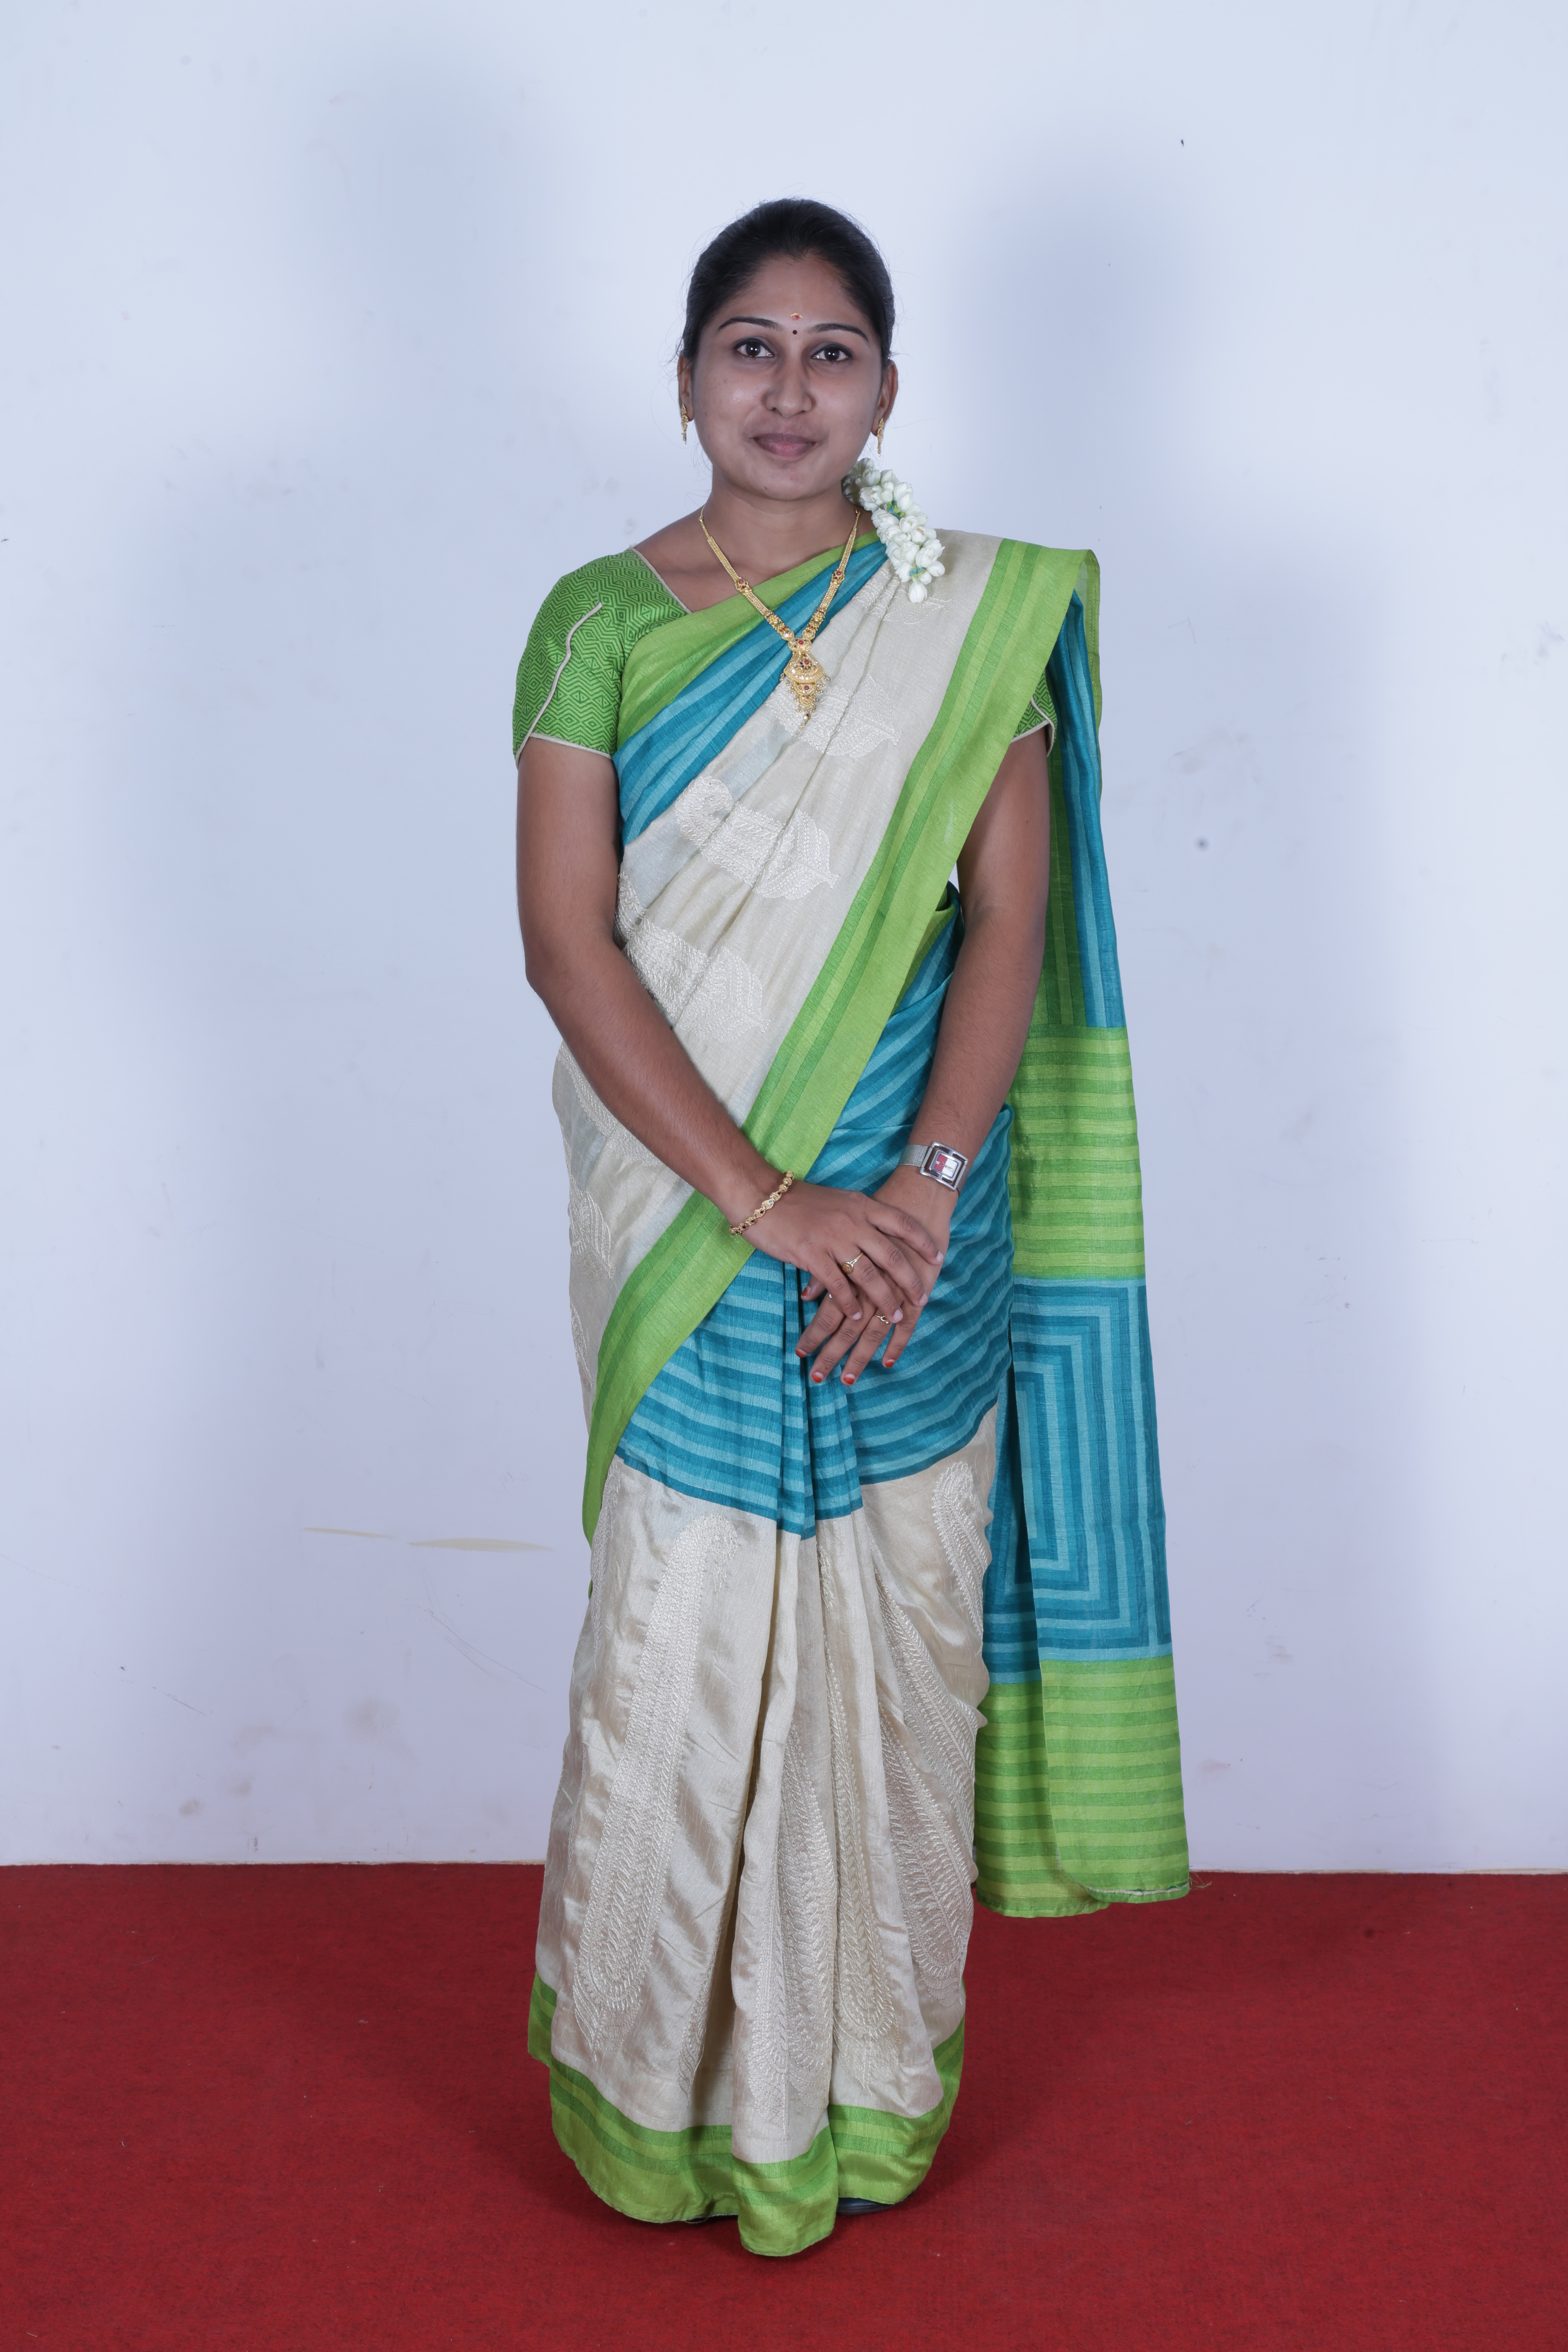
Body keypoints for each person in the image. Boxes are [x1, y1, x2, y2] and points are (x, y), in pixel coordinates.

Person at [513, 199, 1188, 2260]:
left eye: (832, 352)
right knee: (682, 1640)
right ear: (686, 379)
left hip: (917, 1227)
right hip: (702, 1226)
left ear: (887, 389)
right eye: (750, 345)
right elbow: (567, 945)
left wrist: (916, 1193)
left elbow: (1008, 923)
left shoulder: (965, 620)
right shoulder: (599, 620)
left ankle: (864, 2099)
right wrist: (769, 1200)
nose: (789, 388)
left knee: (896, 1653)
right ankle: (658, 2102)